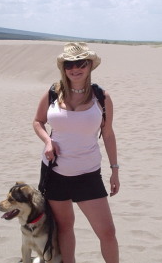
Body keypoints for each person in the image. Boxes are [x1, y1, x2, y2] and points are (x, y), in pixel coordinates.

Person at [33, 42, 120, 263]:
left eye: (81, 63)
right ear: (63, 68)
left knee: (107, 232)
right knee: (64, 227)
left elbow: (108, 134)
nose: (75, 69)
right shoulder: (53, 92)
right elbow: (37, 122)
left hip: (87, 174)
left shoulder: (101, 97)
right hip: (55, 172)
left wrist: (114, 170)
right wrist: (47, 142)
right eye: (69, 64)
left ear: (90, 65)